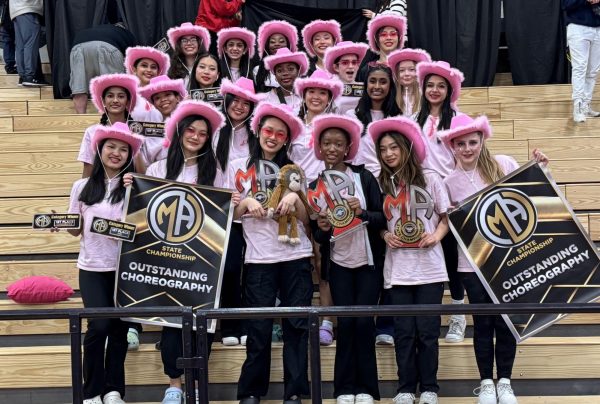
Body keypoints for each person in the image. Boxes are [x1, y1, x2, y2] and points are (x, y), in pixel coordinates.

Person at [439, 114, 549, 404]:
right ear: (452, 146)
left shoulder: (504, 164)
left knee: (506, 323)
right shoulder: (448, 182)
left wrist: (542, 170)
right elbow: (446, 222)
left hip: (509, 260)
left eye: (472, 142)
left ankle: (505, 382)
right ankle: (486, 382)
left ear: (482, 140)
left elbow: (533, 197)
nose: (467, 148)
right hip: (471, 264)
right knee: (483, 323)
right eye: (460, 143)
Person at [124, 100, 226, 404]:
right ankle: (175, 385)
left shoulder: (216, 172)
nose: (195, 136)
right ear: (179, 132)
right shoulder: (157, 168)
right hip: (166, 260)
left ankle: (196, 386)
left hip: (202, 262)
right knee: (171, 324)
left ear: (209, 140)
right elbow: (145, 210)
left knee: (203, 324)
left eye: (202, 134)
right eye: (191, 131)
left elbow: (222, 215)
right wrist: (132, 184)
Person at [229, 102, 312, 404]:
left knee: (297, 327)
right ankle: (250, 392)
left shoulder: (295, 171)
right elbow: (229, 215)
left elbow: (307, 219)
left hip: (295, 256)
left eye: (280, 133)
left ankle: (294, 394)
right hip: (258, 259)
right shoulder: (237, 165)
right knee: (258, 329)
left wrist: (294, 197)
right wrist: (246, 203)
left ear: (286, 139)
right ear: (258, 131)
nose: (273, 137)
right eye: (268, 131)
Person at [370, 117, 449, 404]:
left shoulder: (430, 177)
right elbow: (378, 220)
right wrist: (383, 234)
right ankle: (405, 388)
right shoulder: (380, 183)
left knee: (427, 333)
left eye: (394, 147)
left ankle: (429, 388)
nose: (389, 153)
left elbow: (445, 216)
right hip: (399, 270)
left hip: (429, 268)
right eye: (383, 149)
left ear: (405, 148)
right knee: (404, 333)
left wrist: (437, 236)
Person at [310, 114, 385, 404]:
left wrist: (362, 212)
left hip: (367, 262)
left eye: (338, 144)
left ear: (347, 148)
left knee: (364, 324)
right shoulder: (316, 183)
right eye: (326, 143)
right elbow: (317, 234)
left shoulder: (363, 177)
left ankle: (367, 389)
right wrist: (323, 228)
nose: (331, 148)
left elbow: (383, 218)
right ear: (319, 147)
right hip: (338, 264)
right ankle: (343, 390)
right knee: (345, 324)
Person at [66, 122, 143, 404]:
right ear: (99, 151)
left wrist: (136, 193)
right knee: (98, 328)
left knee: (120, 328)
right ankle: (91, 392)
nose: (116, 153)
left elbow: (140, 230)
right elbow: (75, 229)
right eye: (111, 147)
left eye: (123, 150)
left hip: (124, 269)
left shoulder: (134, 189)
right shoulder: (81, 186)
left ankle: (113, 390)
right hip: (92, 267)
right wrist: (60, 224)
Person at [416, 60, 468, 343]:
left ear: (450, 90)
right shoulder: (412, 119)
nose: (435, 90)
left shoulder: (459, 118)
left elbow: (469, 156)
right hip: (422, 199)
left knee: (454, 257)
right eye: (430, 85)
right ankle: (426, 317)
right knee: (430, 253)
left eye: (441, 86)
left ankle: (458, 313)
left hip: (452, 198)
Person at [213, 77, 261, 347]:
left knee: (251, 269)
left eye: (246, 103)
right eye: (236, 101)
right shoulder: (215, 131)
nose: (240, 107)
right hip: (222, 210)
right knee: (230, 268)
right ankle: (230, 325)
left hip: (252, 211)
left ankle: (248, 325)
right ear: (227, 101)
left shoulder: (257, 133)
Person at [78, 74, 138, 178]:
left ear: (127, 102)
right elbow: (88, 170)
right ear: (103, 101)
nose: (115, 100)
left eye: (121, 96)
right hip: (99, 189)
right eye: (110, 96)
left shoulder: (137, 130)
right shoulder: (92, 132)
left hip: (130, 188)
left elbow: (142, 171)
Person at [69, 23, 137, 113]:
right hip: (109, 46)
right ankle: (106, 122)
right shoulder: (126, 33)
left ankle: (80, 121)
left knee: (80, 89)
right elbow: (132, 63)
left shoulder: (96, 29)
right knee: (112, 90)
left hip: (78, 47)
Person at [351, 62, 401, 178]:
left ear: (390, 86)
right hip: (359, 181)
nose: (377, 86)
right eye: (372, 81)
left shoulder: (399, 119)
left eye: (383, 82)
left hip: (388, 182)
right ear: (366, 84)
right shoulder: (352, 117)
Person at [137, 75, 187, 172]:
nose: (163, 99)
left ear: (177, 98)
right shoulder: (148, 130)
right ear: (154, 103)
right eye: (157, 98)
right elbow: (145, 165)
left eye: (168, 94)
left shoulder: (189, 123)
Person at [562, 0, 600, 122]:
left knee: (593, 70)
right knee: (580, 68)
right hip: (578, 27)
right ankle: (577, 107)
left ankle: (586, 105)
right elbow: (565, 5)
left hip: (597, 28)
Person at [357, 12, 406, 82]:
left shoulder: (407, 69)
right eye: (383, 34)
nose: (389, 38)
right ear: (376, 40)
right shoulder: (367, 69)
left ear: (399, 38)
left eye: (393, 34)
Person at [323, 41, 369, 114]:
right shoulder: (327, 88)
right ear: (336, 67)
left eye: (354, 62)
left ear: (358, 66)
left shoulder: (367, 87)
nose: (350, 66)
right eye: (345, 63)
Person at [9, 0, 47, 87]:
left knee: (21, 45)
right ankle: (30, 76)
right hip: (28, 7)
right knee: (30, 43)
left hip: (16, 10)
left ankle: (23, 76)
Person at [254, 20, 299, 92]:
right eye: (272, 42)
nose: (277, 44)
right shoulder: (257, 70)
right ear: (267, 46)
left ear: (288, 45)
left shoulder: (297, 69)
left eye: (281, 41)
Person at [387, 48, 431, 116]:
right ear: (396, 74)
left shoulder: (426, 95)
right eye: (401, 70)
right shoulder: (391, 96)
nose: (406, 74)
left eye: (411, 69)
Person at [167, 22, 210, 89]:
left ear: (199, 43)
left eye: (193, 39)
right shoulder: (172, 68)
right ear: (179, 45)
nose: (189, 43)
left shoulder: (209, 64)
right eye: (184, 40)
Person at [0, 0, 17, 74]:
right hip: (11, 14)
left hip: (7, 15)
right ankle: (10, 66)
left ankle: (10, 66)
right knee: (9, 40)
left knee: (8, 41)